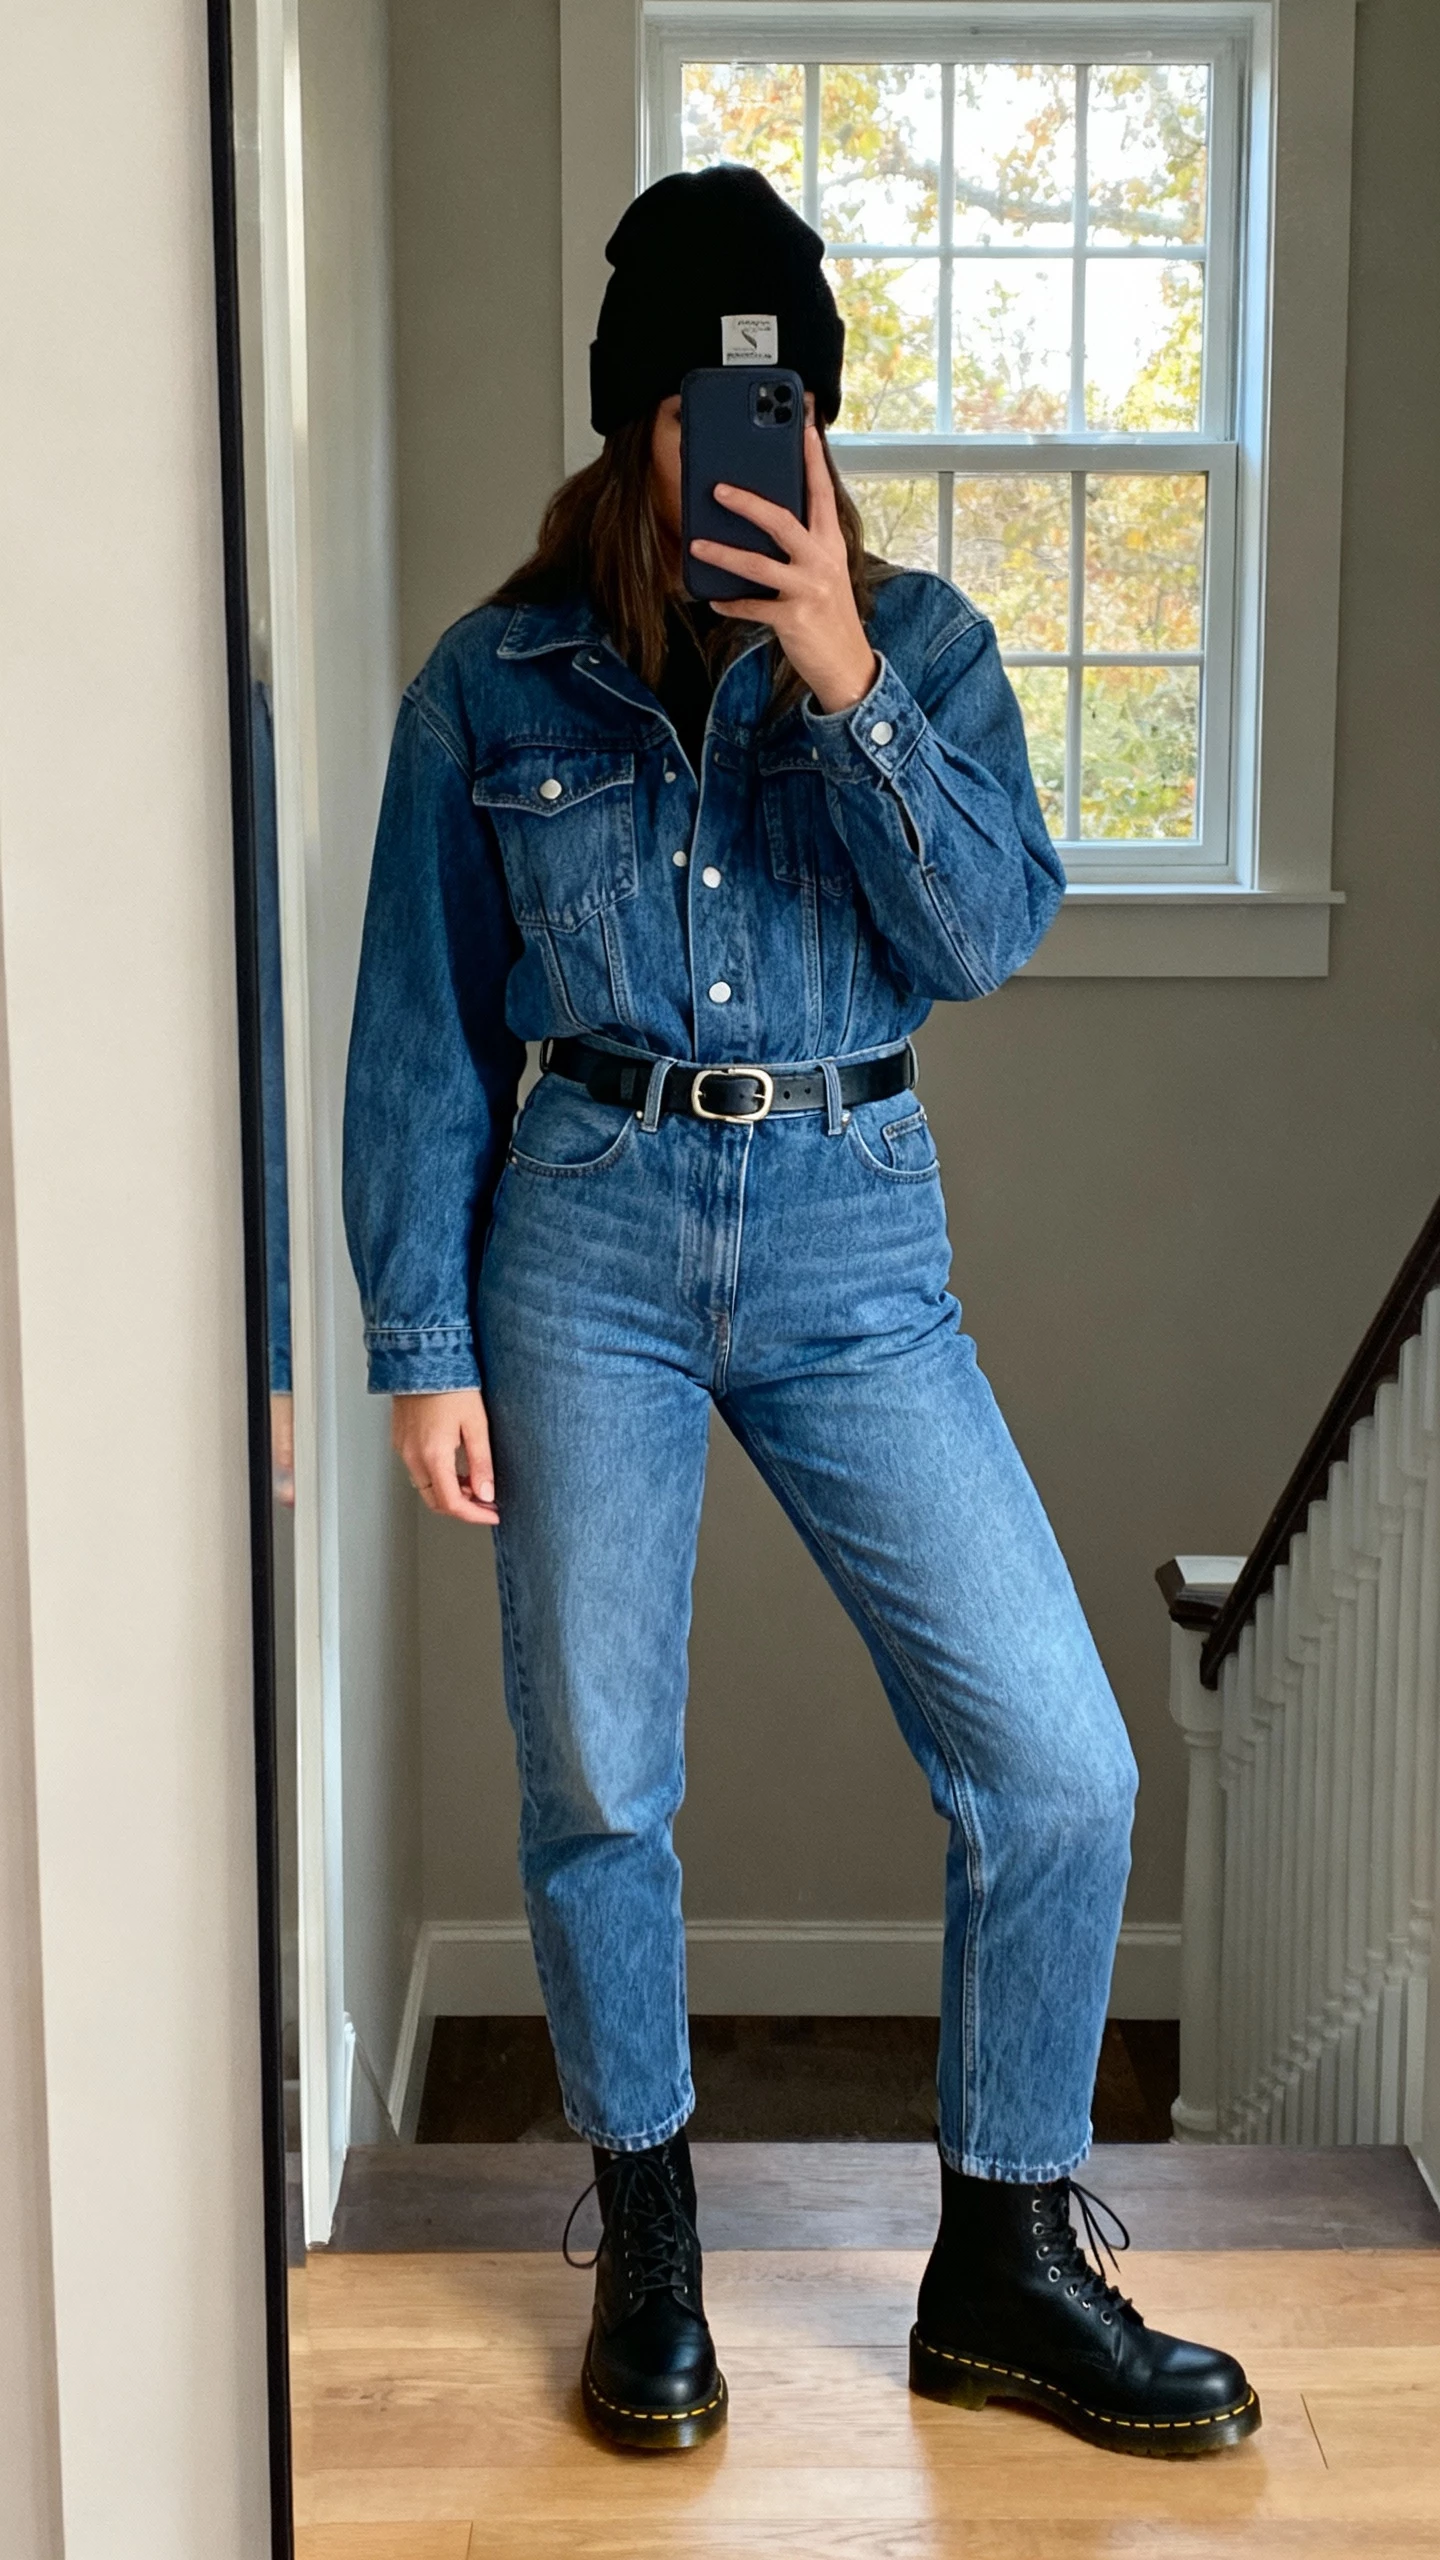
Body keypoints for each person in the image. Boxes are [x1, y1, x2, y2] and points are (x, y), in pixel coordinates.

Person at [342, 165, 1258, 2461]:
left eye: (797, 399)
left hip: (857, 1234)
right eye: (719, 397)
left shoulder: (921, 640)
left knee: (1057, 1757)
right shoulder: (495, 675)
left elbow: (982, 931)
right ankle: (651, 2251)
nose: (766, 437)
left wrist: (840, 670)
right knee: (601, 1775)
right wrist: (415, 1338)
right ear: (637, 416)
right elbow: (421, 1032)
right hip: (587, 1231)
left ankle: (1005, 2260)